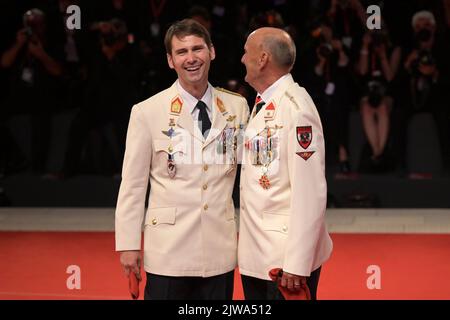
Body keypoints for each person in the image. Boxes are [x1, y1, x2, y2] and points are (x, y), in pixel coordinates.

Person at [115, 19, 249, 300]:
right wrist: (128, 244)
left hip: (219, 249)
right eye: (181, 52)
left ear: (211, 52)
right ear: (170, 60)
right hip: (168, 252)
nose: (191, 58)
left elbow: (250, 174)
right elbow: (133, 185)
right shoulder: (147, 111)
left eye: (197, 49)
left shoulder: (237, 106)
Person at [238, 27, 333, 300]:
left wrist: (297, 264)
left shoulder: (296, 108)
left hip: (283, 264)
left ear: (263, 58)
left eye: (247, 52)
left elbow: (310, 192)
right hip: (259, 256)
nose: (242, 59)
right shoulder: (265, 102)